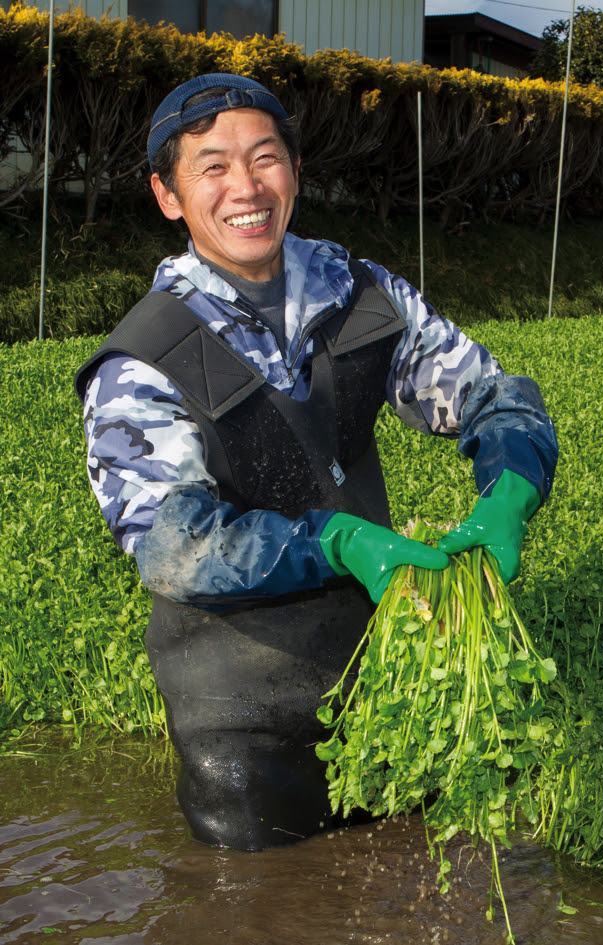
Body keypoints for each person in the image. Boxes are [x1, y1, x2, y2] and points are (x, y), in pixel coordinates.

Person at [75, 73, 558, 851]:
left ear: (295, 172)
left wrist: (508, 492)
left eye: (265, 158)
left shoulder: (359, 294)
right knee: (254, 906)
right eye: (214, 167)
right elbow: (176, 547)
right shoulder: (142, 360)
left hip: (383, 680)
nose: (247, 187)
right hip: (240, 713)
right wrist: (336, 540)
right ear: (168, 194)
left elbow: (490, 393)